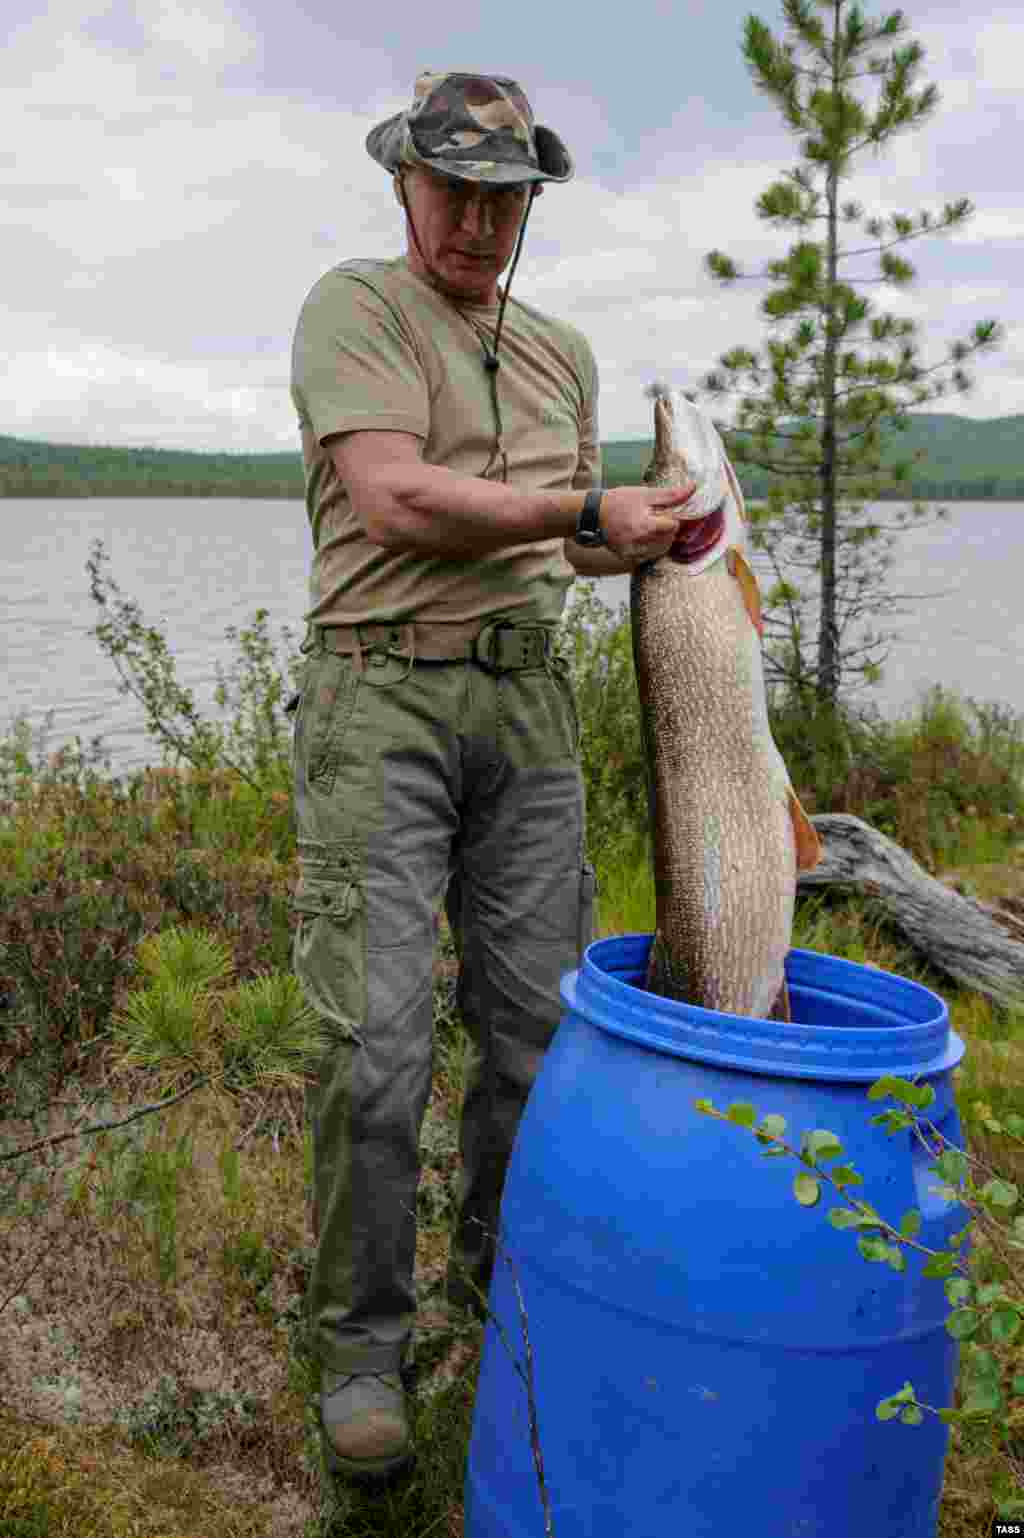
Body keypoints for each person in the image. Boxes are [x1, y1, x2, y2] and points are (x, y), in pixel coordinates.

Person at [289, 69, 696, 1482]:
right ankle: (360, 1344)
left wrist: (640, 528)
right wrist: (580, 507)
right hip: (379, 697)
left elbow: (568, 542)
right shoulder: (357, 309)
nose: (476, 218)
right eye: (452, 187)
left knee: (538, 1038)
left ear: (531, 203)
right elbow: (395, 494)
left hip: (529, 707)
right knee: (378, 1044)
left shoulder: (562, 352)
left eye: (503, 195)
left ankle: (498, 1302)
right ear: (404, 181)